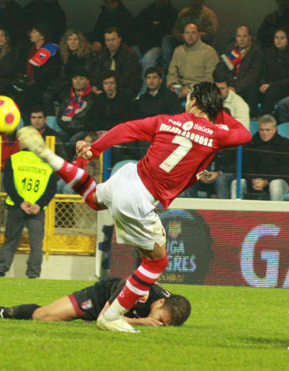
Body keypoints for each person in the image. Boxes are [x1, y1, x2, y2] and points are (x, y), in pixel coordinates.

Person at [17, 81, 251, 332]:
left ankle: (52, 158)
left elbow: (126, 129)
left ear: (193, 101)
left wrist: (94, 149)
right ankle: (111, 317)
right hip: (141, 196)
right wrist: (217, 111)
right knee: (155, 263)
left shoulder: (166, 121)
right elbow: (245, 133)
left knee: (94, 199)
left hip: (128, 175)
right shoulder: (217, 134)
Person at [0, 280, 191, 328]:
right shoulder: (139, 290)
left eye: (163, 324)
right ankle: (1, 311)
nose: (156, 322)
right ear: (159, 302)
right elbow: (104, 319)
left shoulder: (170, 302)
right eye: (159, 318)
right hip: (98, 299)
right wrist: (141, 321)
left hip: (115, 308)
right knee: (43, 316)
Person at [0, 137, 57, 279]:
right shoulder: (47, 162)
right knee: (36, 244)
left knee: (11, 240)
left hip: (16, 208)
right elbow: (52, 189)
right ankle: (33, 274)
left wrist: (20, 202)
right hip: (37, 210)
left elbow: (8, 184)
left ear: (23, 144)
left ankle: (0, 270)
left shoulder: (14, 159)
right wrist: (39, 204)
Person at [195, 71, 250, 198]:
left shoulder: (239, 104)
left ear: (229, 88)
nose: (219, 92)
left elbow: (242, 133)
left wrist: (219, 172)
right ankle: (189, 215)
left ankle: (223, 216)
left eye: (222, 89)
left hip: (231, 151)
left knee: (221, 180)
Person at [232, 114, 289, 201]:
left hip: (279, 181)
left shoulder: (285, 144)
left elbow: (284, 168)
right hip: (254, 181)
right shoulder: (251, 143)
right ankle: (234, 213)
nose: (264, 133)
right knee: (236, 183)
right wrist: (253, 179)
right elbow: (247, 165)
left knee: (275, 184)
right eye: (262, 130)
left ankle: (276, 214)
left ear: (275, 130)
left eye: (268, 130)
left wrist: (266, 181)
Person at [214, 26, 263, 117]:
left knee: (250, 89)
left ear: (250, 38)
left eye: (244, 36)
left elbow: (252, 75)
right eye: (239, 36)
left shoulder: (256, 52)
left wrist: (236, 87)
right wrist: (229, 84)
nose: (242, 39)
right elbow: (220, 69)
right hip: (230, 85)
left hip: (246, 87)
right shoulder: (232, 50)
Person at [167, 23, 218, 99]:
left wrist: (190, 89)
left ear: (199, 34)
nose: (190, 36)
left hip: (200, 92)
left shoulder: (209, 52)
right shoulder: (178, 51)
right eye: (187, 33)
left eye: (193, 33)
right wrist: (173, 85)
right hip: (179, 91)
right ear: (183, 35)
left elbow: (210, 78)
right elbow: (172, 73)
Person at [91, 26, 141, 98]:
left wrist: (106, 89)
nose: (111, 43)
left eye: (113, 39)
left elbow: (126, 80)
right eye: (108, 40)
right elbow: (95, 73)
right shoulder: (102, 54)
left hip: (124, 90)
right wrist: (94, 85)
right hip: (105, 88)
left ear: (119, 39)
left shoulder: (129, 55)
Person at [258, 28, 289, 116]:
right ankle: (252, 116)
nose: (278, 40)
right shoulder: (267, 53)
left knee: (273, 89)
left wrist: (271, 85)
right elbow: (261, 71)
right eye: (276, 37)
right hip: (267, 85)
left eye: (282, 38)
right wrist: (262, 83)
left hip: (284, 87)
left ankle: (264, 116)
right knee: (251, 88)